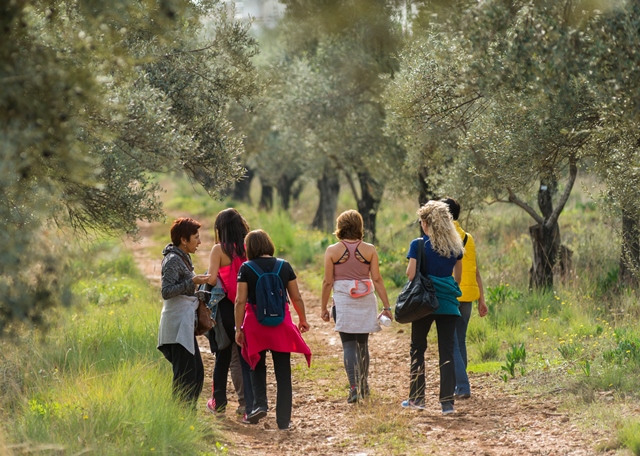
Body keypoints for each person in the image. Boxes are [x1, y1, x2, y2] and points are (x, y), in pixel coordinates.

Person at [235, 229, 311, 430]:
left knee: (256, 366)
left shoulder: (246, 268)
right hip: (280, 324)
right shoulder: (284, 266)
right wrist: (302, 319)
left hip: (255, 325)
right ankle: (284, 421)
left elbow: (240, 300)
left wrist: (238, 328)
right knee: (283, 373)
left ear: (250, 248)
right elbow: (296, 297)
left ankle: (260, 404)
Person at [320, 210, 393, 403]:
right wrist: (387, 306)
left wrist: (323, 308)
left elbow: (327, 282)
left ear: (340, 226)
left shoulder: (332, 251)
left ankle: (353, 387)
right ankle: (364, 384)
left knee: (348, 345)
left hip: (343, 302)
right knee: (363, 345)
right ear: (359, 226)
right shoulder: (369, 249)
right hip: (365, 301)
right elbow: (376, 278)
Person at [403, 201, 464, 415]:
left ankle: (417, 398)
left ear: (427, 222)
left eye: (421, 221)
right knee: (446, 351)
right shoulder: (455, 246)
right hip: (448, 303)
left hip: (424, 302)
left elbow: (411, 275)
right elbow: (458, 276)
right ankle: (447, 403)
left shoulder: (418, 245)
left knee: (418, 349)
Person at [204, 208, 254, 423]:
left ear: (220, 229)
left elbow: (212, 279)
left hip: (226, 308)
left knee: (225, 356)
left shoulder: (219, 250)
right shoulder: (249, 248)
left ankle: (224, 401)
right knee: (244, 356)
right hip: (247, 307)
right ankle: (249, 400)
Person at [158, 217, 211, 406]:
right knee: (186, 377)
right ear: (183, 239)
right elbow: (166, 292)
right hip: (176, 327)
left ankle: (187, 416)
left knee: (195, 374)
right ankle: (180, 417)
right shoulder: (172, 260)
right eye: (196, 237)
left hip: (183, 326)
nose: (199, 242)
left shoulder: (183, 257)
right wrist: (193, 282)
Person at [441, 197, 488, 400]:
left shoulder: (444, 238)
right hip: (468, 295)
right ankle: (459, 384)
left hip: (452, 294)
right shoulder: (468, 237)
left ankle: (462, 386)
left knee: (452, 344)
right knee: (460, 341)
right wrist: (482, 299)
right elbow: (476, 271)